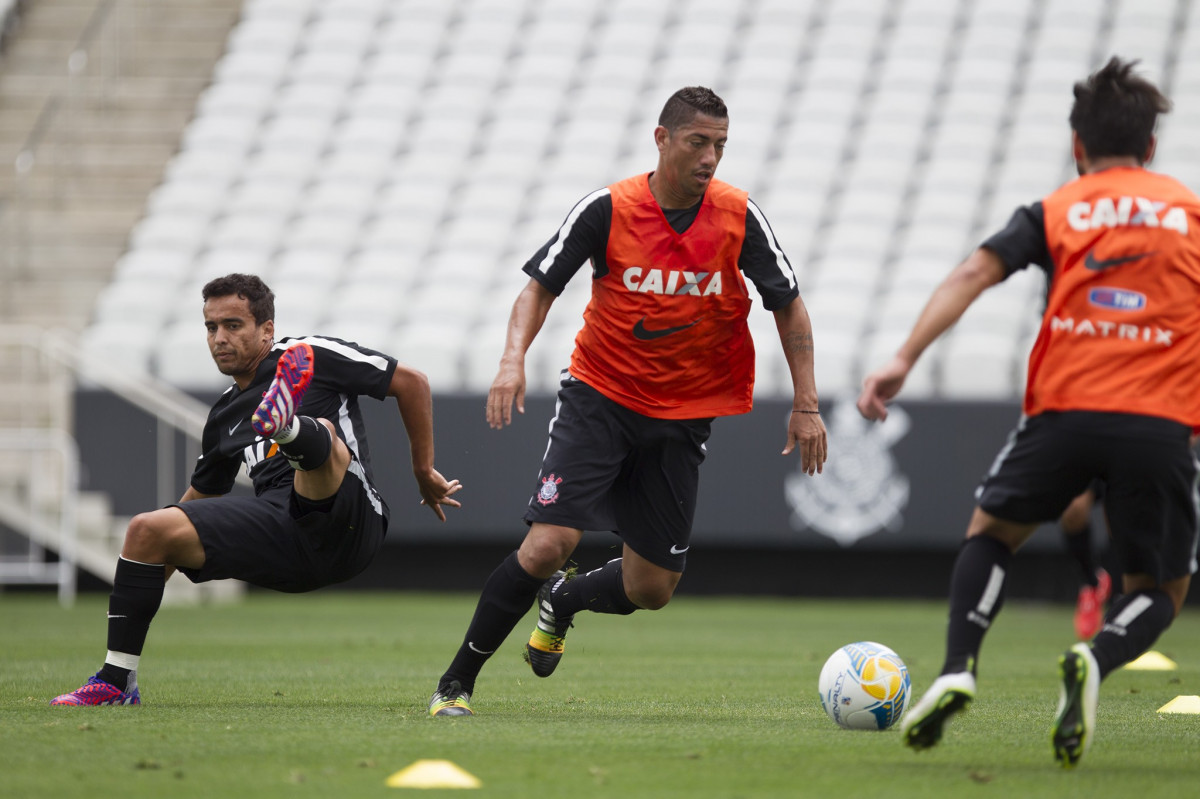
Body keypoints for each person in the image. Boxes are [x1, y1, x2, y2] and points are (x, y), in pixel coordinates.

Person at [427, 86, 828, 717]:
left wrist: (806, 401)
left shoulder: (739, 216)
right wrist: (512, 360)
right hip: (601, 398)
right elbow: (538, 288)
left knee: (652, 588)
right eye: (699, 141)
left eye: (720, 145)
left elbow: (788, 303)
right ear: (662, 138)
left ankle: (564, 602)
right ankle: (455, 683)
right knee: (547, 544)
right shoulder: (608, 208)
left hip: (684, 416)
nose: (711, 157)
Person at [856, 57, 1199, 768]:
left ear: (1077, 145)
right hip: (1160, 422)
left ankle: (957, 666)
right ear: (1152, 148)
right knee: (1162, 588)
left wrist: (902, 359)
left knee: (993, 533)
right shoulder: (1191, 215)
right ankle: (1097, 658)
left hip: (1064, 412)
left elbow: (974, 271)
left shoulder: (1057, 209)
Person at [51, 273, 462, 705]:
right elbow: (201, 497)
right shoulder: (225, 413)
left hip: (351, 521)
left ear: (267, 330)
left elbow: (412, 382)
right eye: (211, 327)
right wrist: (148, 562)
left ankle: (287, 427)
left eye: (233, 325)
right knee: (145, 528)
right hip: (284, 535)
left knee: (321, 437)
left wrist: (423, 470)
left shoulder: (309, 354)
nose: (219, 338)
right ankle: (117, 682)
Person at [1059, 481, 1113, 640]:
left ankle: (1120, 599)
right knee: (1073, 508)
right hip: (1093, 457)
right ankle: (1092, 583)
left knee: (1118, 513)